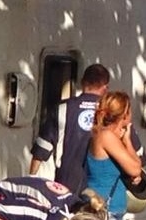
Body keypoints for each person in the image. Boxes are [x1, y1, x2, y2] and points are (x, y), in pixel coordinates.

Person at [84, 90, 144, 220]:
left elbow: (137, 166)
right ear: (124, 114)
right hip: (106, 211)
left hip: (118, 211)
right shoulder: (106, 136)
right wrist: (126, 144)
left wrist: (126, 140)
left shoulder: (113, 137)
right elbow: (134, 169)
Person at [29, 63, 112, 194]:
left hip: (65, 185)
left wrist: (30, 181)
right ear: (105, 88)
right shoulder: (111, 112)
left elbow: (41, 150)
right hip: (100, 189)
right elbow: (138, 155)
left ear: (82, 82)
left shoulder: (62, 109)